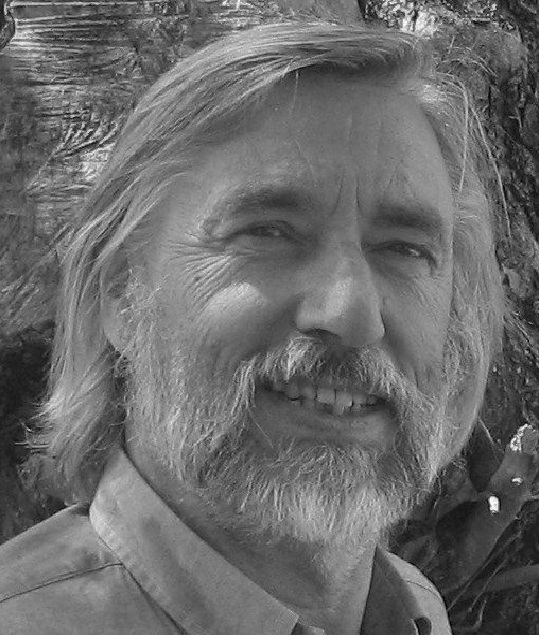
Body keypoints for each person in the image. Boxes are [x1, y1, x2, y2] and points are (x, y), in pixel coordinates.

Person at [0, 21, 503, 635]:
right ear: (122, 295)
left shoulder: (413, 609)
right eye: (267, 232)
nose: (352, 314)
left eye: (405, 248)